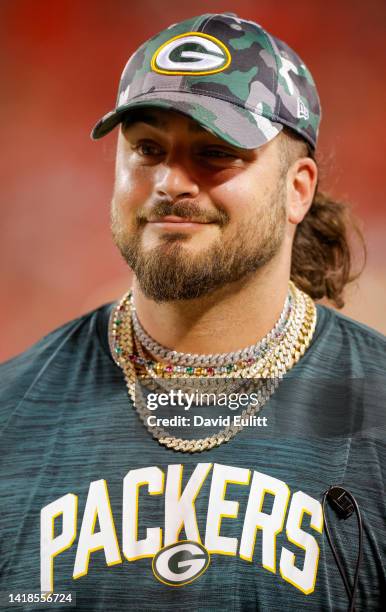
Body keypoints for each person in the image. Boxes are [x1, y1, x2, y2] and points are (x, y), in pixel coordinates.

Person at [1, 12, 385, 612]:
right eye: (147, 149)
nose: (169, 182)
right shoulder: (12, 415)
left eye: (214, 154)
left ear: (298, 189)